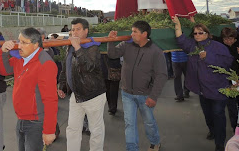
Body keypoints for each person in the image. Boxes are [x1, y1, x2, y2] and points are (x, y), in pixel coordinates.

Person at [172, 16, 233, 151]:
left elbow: (228, 63)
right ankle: (212, 130)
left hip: (218, 90)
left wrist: (208, 57)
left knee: (218, 115)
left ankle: (219, 143)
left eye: (201, 32)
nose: (198, 35)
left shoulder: (218, 46)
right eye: (195, 33)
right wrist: (177, 24)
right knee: (208, 115)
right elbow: (181, 40)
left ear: (207, 34)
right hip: (202, 90)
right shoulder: (193, 46)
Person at [107, 20, 167, 151]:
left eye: (135, 32)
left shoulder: (156, 51)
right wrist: (111, 41)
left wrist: (153, 96)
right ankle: (132, 148)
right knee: (129, 123)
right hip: (127, 93)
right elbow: (112, 55)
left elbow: (162, 75)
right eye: (132, 31)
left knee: (149, 122)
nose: (131, 34)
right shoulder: (126, 45)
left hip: (145, 95)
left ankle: (155, 142)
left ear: (144, 34)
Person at [0, 27, 58, 151]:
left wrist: (49, 130)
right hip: (21, 118)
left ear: (36, 45)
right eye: (19, 41)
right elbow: (4, 70)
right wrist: (3, 52)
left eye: (24, 43)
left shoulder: (45, 63)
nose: (19, 46)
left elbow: (50, 100)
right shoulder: (21, 59)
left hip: (35, 123)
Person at [58, 18, 107, 151]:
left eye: (78, 29)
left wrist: (78, 48)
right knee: (73, 128)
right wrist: (62, 85)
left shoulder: (92, 47)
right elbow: (66, 67)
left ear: (86, 31)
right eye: (72, 29)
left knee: (96, 130)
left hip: (93, 95)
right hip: (77, 95)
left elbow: (89, 67)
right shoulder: (71, 46)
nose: (74, 32)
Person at [211, 27, 239, 132]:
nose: (228, 41)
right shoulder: (221, 43)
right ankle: (235, 128)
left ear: (235, 37)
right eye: (225, 39)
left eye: (230, 39)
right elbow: (210, 36)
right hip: (228, 79)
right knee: (231, 105)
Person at [101, 51, 122, 116]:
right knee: (111, 82)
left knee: (110, 82)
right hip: (111, 54)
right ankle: (112, 106)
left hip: (110, 54)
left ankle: (112, 106)